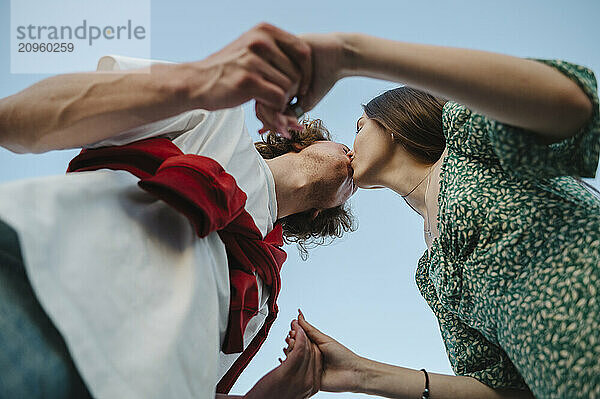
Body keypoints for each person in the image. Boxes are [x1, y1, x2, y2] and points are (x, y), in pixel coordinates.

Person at [0, 28, 356, 399]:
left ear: (321, 213)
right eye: (346, 144)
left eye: (354, 189)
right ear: (302, 139)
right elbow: (25, 119)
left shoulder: (263, 298)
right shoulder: (217, 115)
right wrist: (196, 82)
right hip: (32, 285)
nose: (352, 159)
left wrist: (268, 396)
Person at [266, 33, 599, 399]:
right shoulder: (433, 275)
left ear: (392, 121)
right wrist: (360, 374)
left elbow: (572, 103)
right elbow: (505, 390)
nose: (350, 144)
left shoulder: (465, 139)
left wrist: (350, 56)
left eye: (359, 127)